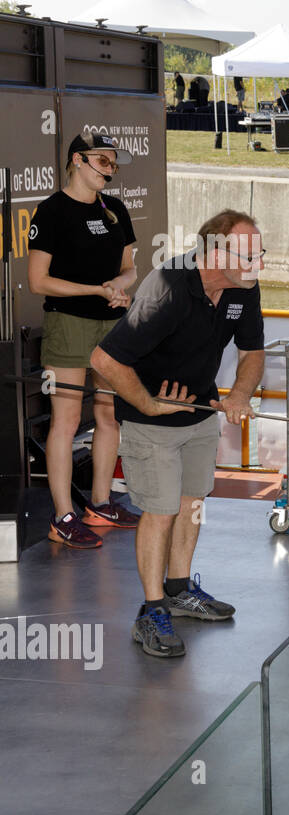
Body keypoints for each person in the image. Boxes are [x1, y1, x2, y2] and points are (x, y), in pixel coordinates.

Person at [90, 209, 266, 658]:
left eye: (258, 253)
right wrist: (148, 403)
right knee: (161, 510)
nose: (256, 263)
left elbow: (252, 353)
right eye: (248, 254)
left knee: (192, 505)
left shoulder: (243, 287)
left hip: (200, 410)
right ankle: (150, 612)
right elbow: (105, 361)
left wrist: (240, 395)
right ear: (213, 251)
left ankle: (179, 589)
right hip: (151, 418)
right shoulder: (169, 287)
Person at [27, 132, 140, 548]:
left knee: (109, 415)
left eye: (113, 165)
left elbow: (129, 268)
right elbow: (39, 281)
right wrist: (94, 289)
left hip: (112, 325)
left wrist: (118, 285)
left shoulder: (115, 210)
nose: (110, 171)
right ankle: (63, 515)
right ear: (78, 160)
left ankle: (101, 501)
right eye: (103, 162)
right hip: (68, 325)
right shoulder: (51, 212)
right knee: (68, 419)